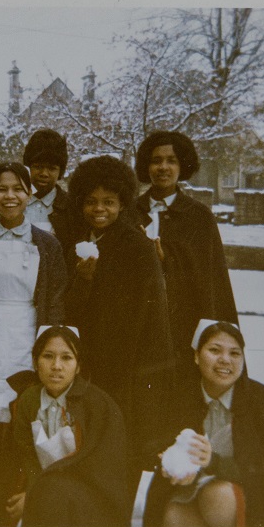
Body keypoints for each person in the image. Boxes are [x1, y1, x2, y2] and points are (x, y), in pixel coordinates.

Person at [0, 162, 68, 510]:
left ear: (29, 194)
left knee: (18, 419)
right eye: (2, 189)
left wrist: (48, 353)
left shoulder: (47, 244)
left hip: (26, 338)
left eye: (18, 189)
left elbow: (53, 302)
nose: (10, 196)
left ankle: (13, 499)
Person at [64, 155, 175, 474]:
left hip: (128, 364)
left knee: (119, 446)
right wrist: (84, 281)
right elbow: (72, 308)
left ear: (123, 203)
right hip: (90, 360)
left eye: (109, 202)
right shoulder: (80, 241)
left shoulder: (137, 246)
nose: (99, 209)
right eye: (91, 201)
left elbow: (144, 316)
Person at [143, 320, 264, 527]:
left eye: (235, 354)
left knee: (216, 496)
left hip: (248, 494)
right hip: (190, 488)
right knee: (174, 514)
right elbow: (154, 447)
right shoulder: (178, 398)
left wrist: (212, 461)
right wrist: (170, 466)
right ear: (196, 356)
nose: (225, 360)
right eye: (215, 350)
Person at [6, 326, 131, 527]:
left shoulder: (98, 405)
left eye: (66, 358)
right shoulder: (28, 401)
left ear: (78, 366)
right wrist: (33, 493)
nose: (56, 366)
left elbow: (102, 468)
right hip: (39, 488)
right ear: (35, 362)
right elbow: (26, 454)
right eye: (48, 356)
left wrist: (40, 495)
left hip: (86, 496)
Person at [132, 132, 239, 370]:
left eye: (172, 160)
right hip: (139, 323)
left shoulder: (199, 217)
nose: (163, 167)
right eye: (156, 160)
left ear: (183, 166)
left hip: (182, 326)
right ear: (145, 166)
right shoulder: (130, 212)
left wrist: (166, 260)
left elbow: (210, 281)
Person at [0, 128, 79, 261]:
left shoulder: (71, 207)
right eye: (38, 166)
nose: (44, 173)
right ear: (28, 167)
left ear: (61, 171)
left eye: (52, 168)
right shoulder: (10, 202)